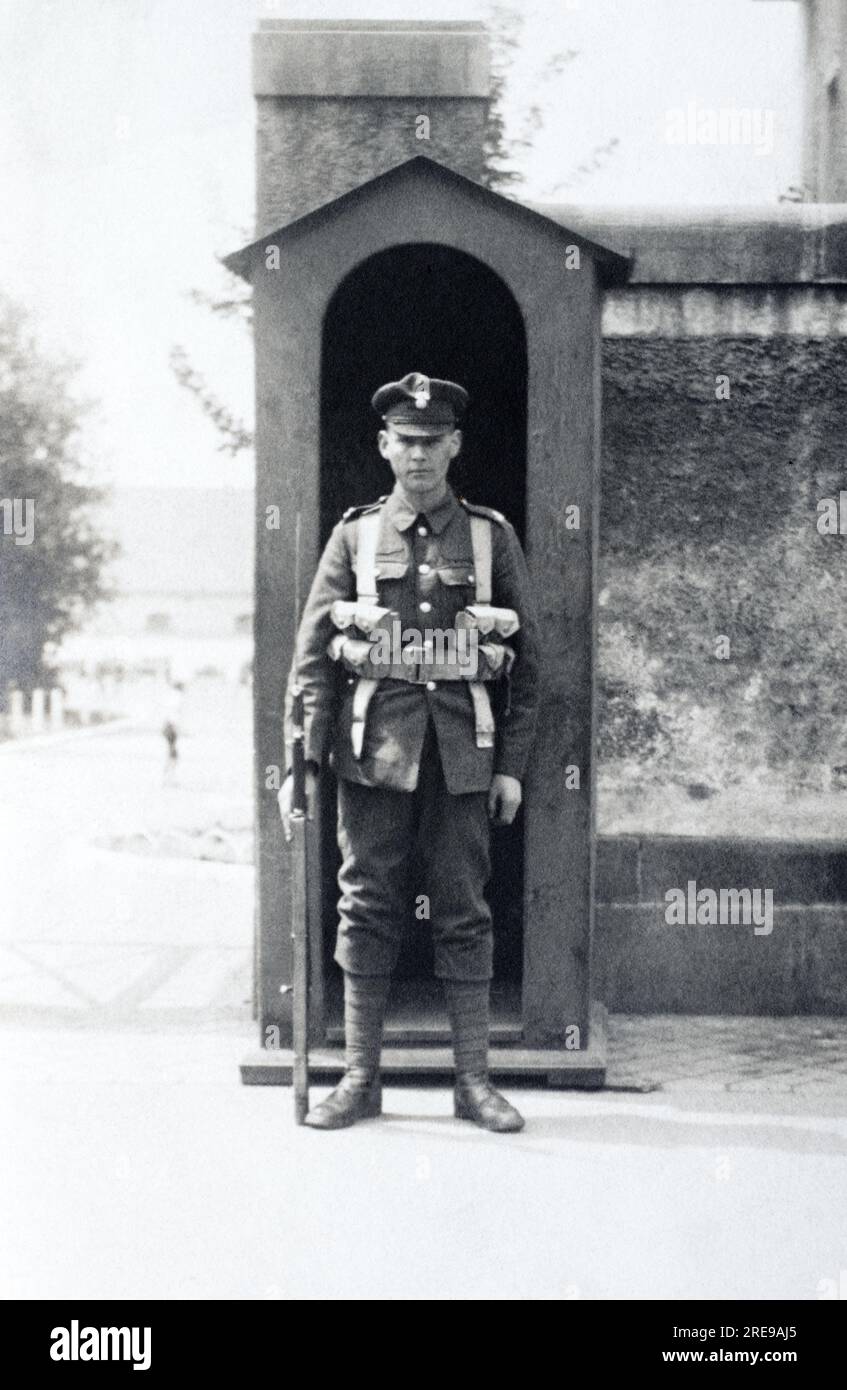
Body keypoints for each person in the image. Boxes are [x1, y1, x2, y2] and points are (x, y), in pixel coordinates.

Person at [278, 371, 540, 1131]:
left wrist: (513, 770)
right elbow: (314, 660)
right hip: (372, 754)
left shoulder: (490, 537)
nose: (418, 456)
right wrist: (302, 761)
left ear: (453, 446)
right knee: (365, 907)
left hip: (465, 754)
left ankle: (473, 1083)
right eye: (405, 442)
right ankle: (360, 1079)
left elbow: (533, 663)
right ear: (383, 445)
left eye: (433, 442)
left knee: (463, 912)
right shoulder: (354, 537)